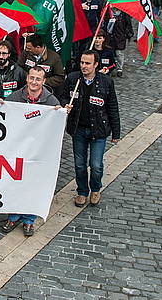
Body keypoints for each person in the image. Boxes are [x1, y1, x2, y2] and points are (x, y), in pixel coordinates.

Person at [0, 67, 62, 237]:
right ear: (27, 79)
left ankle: (29, 220)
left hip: (39, 152)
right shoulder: (15, 97)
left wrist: (62, 113)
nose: (34, 82)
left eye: (38, 79)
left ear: (44, 81)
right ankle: (13, 216)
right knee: (15, 182)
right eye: (32, 78)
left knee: (34, 185)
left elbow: (57, 127)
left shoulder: (51, 102)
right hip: (18, 149)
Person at [60, 50, 120, 208]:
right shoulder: (73, 79)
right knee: (79, 164)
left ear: (96, 65)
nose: (83, 66)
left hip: (98, 130)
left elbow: (112, 107)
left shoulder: (106, 82)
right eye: (82, 62)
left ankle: (95, 188)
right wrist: (66, 104)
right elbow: (64, 96)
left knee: (96, 164)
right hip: (78, 129)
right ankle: (82, 191)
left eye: (87, 63)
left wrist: (116, 132)